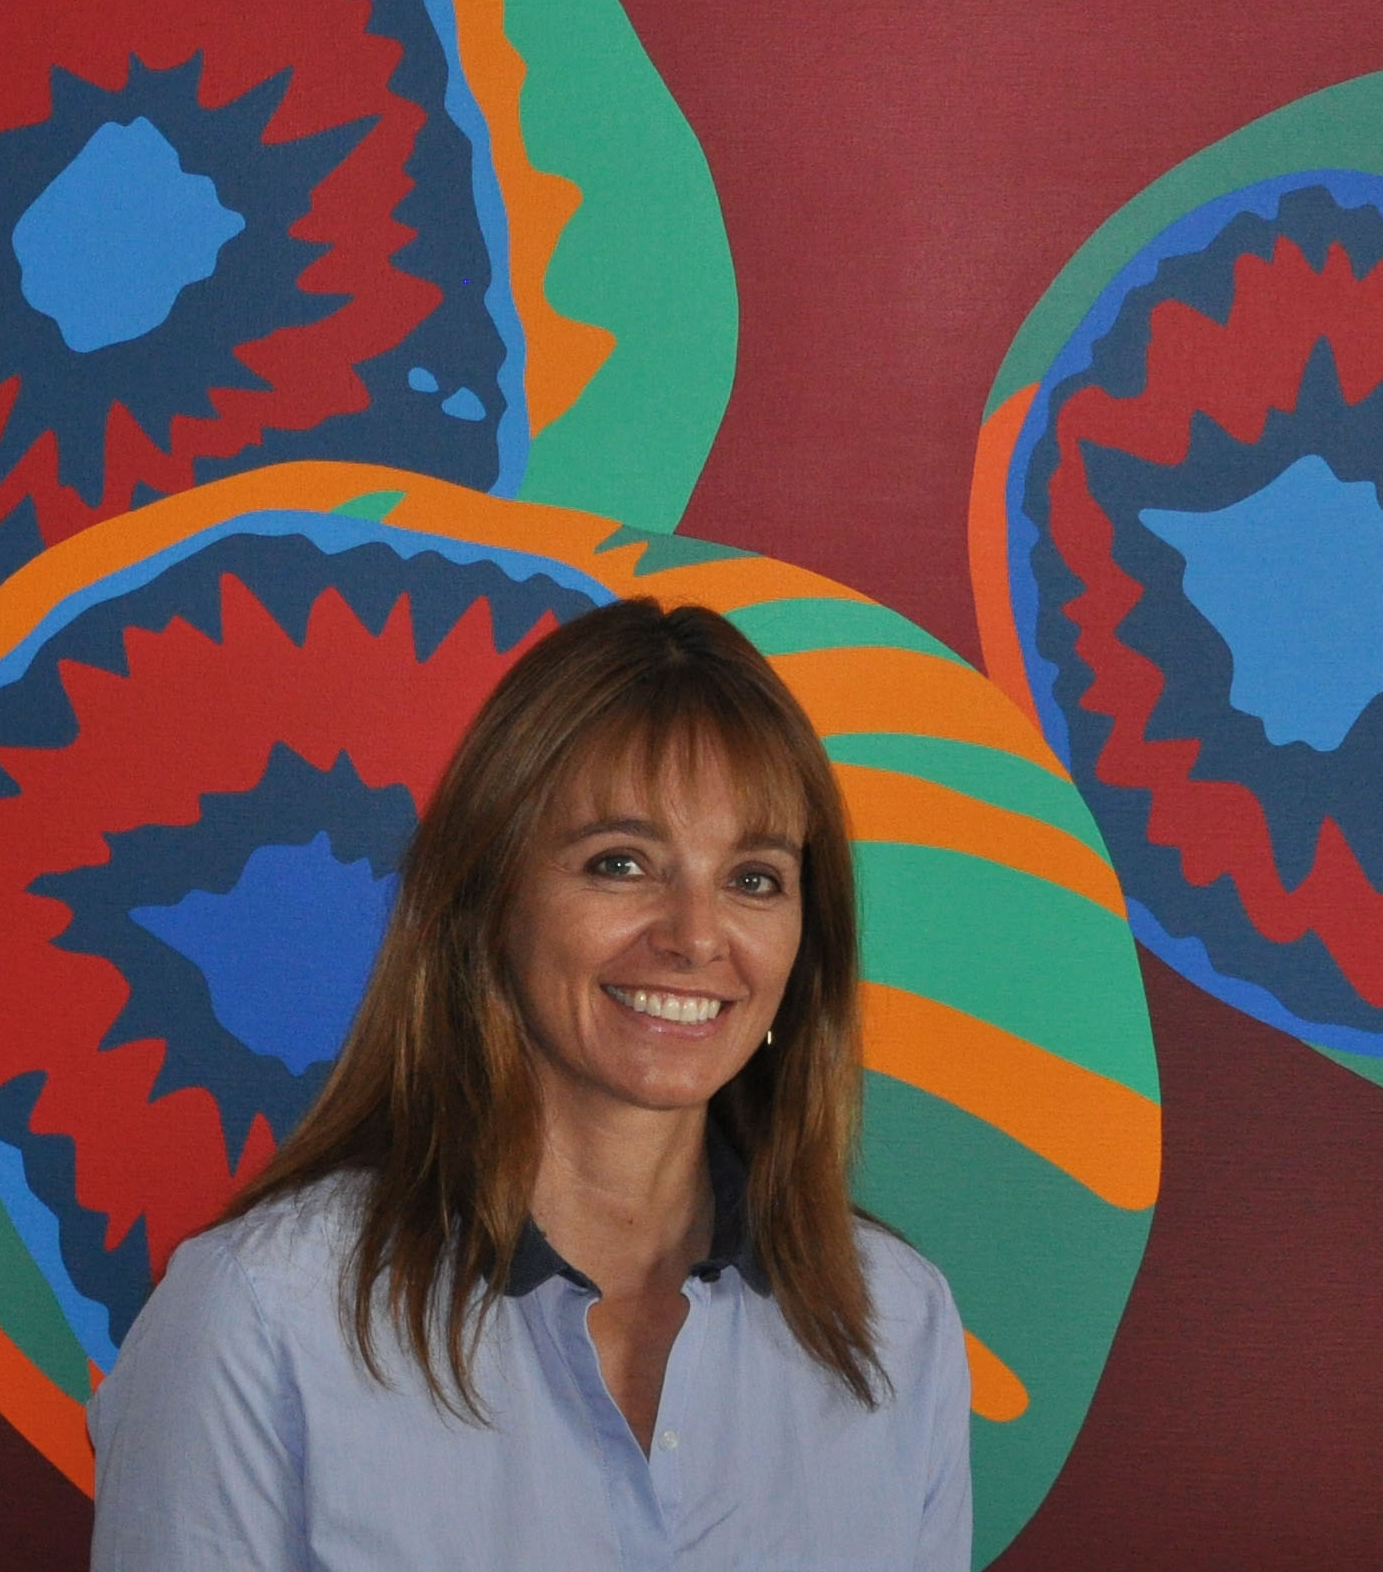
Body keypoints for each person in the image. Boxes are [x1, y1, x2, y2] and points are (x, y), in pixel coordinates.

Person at [89, 597, 973, 1570]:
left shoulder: (897, 1320)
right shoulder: (261, 1314)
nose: (694, 935)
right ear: (487, 899)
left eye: (753, 878)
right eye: (620, 863)